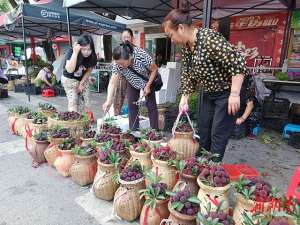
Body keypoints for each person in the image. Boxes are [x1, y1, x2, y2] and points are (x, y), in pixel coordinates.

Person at [163, 9, 246, 161]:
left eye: (171, 35)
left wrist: (235, 94)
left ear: (181, 28)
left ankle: (212, 171)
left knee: (217, 134)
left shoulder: (209, 39)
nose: (172, 40)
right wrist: (185, 98)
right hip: (208, 92)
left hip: (226, 93)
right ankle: (200, 165)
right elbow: (187, 73)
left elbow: (238, 64)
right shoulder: (187, 47)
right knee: (203, 130)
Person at [102, 41, 159, 130]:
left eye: (122, 63)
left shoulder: (140, 55)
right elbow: (112, 82)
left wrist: (148, 86)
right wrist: (108, 100)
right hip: (132, 82)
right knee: (132, 107)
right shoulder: (118, 64)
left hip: (148, 81)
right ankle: (133, 132)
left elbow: (154, 69)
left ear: (130, 56)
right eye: (118, 64)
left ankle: (155, 132)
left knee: (151, 106)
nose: (120, 66)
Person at [62, 34, 97, 113]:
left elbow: (88, 71)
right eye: (83, 49)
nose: (86, 52)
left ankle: (85, 119)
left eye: (89, 49)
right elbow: (69, 70)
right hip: (69, 79)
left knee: (86, 101)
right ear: (79, 47)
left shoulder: (93, 56)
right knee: (73, 101)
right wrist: (75, 53)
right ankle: (73, 121)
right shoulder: (71, 51)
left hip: (82, 78)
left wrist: (81, 83)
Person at [113, 28, 134, 116]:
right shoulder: (119, 49)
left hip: (133, 78)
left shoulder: (135, 51)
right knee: (118, 96)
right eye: (123, 37)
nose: (125, 39)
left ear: (132, 38)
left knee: (132, 98)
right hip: (122, 77)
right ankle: (116, 115)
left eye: (127, 37)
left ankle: (132, 115)